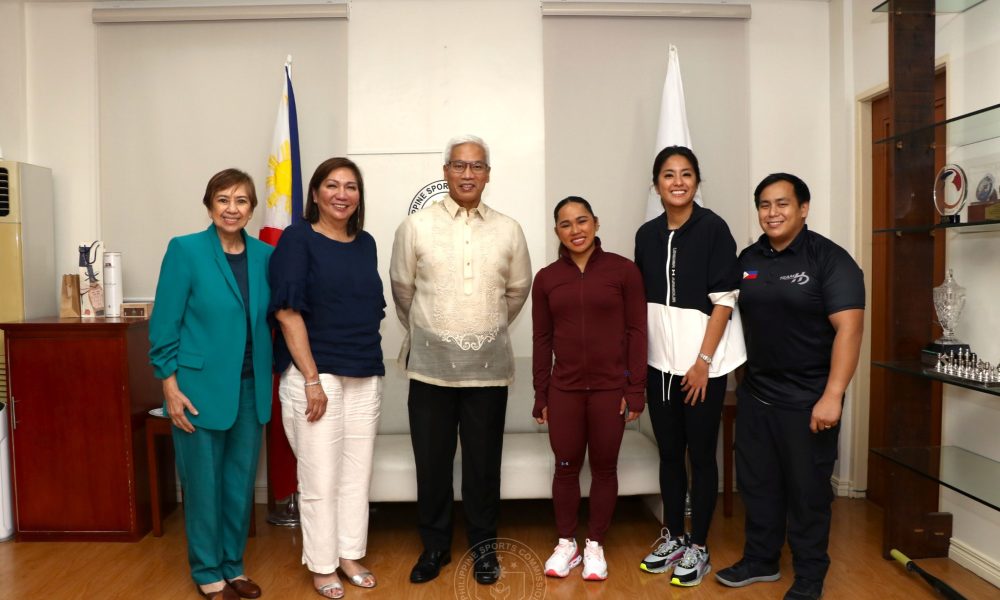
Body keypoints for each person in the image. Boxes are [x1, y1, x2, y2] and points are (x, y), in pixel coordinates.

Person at [389, 134, 532, 585]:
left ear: (488, 174)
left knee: (483, 465)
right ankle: (434, 548)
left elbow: (517, 291)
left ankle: (484, 549)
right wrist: (439, 330)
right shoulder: (416, 226)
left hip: (487, 369)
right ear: (445, 171)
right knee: (431, 463)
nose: (467, 174)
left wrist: (481, 329)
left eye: (476, 166)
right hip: (429, 368)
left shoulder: (509, 228)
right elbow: (402, 289)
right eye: (458, 166)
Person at [715, 173, 864, 600]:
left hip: (810, 401)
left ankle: (810, 576)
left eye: (782, 203)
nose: (772, 212)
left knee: (808, 493)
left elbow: (850, 331)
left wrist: (833, 396)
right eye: (764, 204)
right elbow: (728, 317)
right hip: (758, 396)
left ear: (803, 208)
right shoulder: (748, 258)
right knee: (758, 485)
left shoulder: (830, 260)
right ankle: (761, 560)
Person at [149, 168, 273, 600]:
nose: (232, 208)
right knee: (202, 484)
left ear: (252, 209)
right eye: (223, 199)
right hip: (195, 390)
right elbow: (165, 322)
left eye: (241, 201)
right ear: (209, 205)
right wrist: (169, 384)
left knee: (239, 484)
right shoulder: (185, 251)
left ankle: (233, 566)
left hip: (249, 387)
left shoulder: (264, 256)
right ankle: (207, 571)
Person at [269, 158, 386, 599]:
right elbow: (286, 310)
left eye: (351, 187)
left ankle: (350, 553)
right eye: (332, 185)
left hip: (364, 371)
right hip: (314, 377)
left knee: (357, 476)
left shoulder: (366, 242)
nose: (342, 194)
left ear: (359, 196)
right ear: (315, 193)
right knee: (320, 479)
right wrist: (313, 379)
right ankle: (322, 565)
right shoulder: (297, 240)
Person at [634, 146, 746, 587]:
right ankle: (674, 536)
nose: (677, 182)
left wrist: (702, 363)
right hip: (658, 363)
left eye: (685, 174)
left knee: (700, 455)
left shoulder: (714, 228)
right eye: (668, 175)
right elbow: (643, 303)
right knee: (667, 453)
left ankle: (699, 544)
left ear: (697, 181)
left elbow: (724, 302)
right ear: (656, 184)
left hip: (704, 366)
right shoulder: (646, 234)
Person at [532, 196, 647, 581]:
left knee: (603, 467)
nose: (575, 230)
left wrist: (635, 390)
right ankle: (567, 544)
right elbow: (541, 339)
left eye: (582, 221)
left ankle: (595, 544)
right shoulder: (547, 278)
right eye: (566, 224)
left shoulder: (624, 271)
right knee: (565, 468)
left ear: (596, 224)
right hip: (563, 391)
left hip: (609, 390)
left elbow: (636, 332)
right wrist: (540, 393)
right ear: (557, 233)